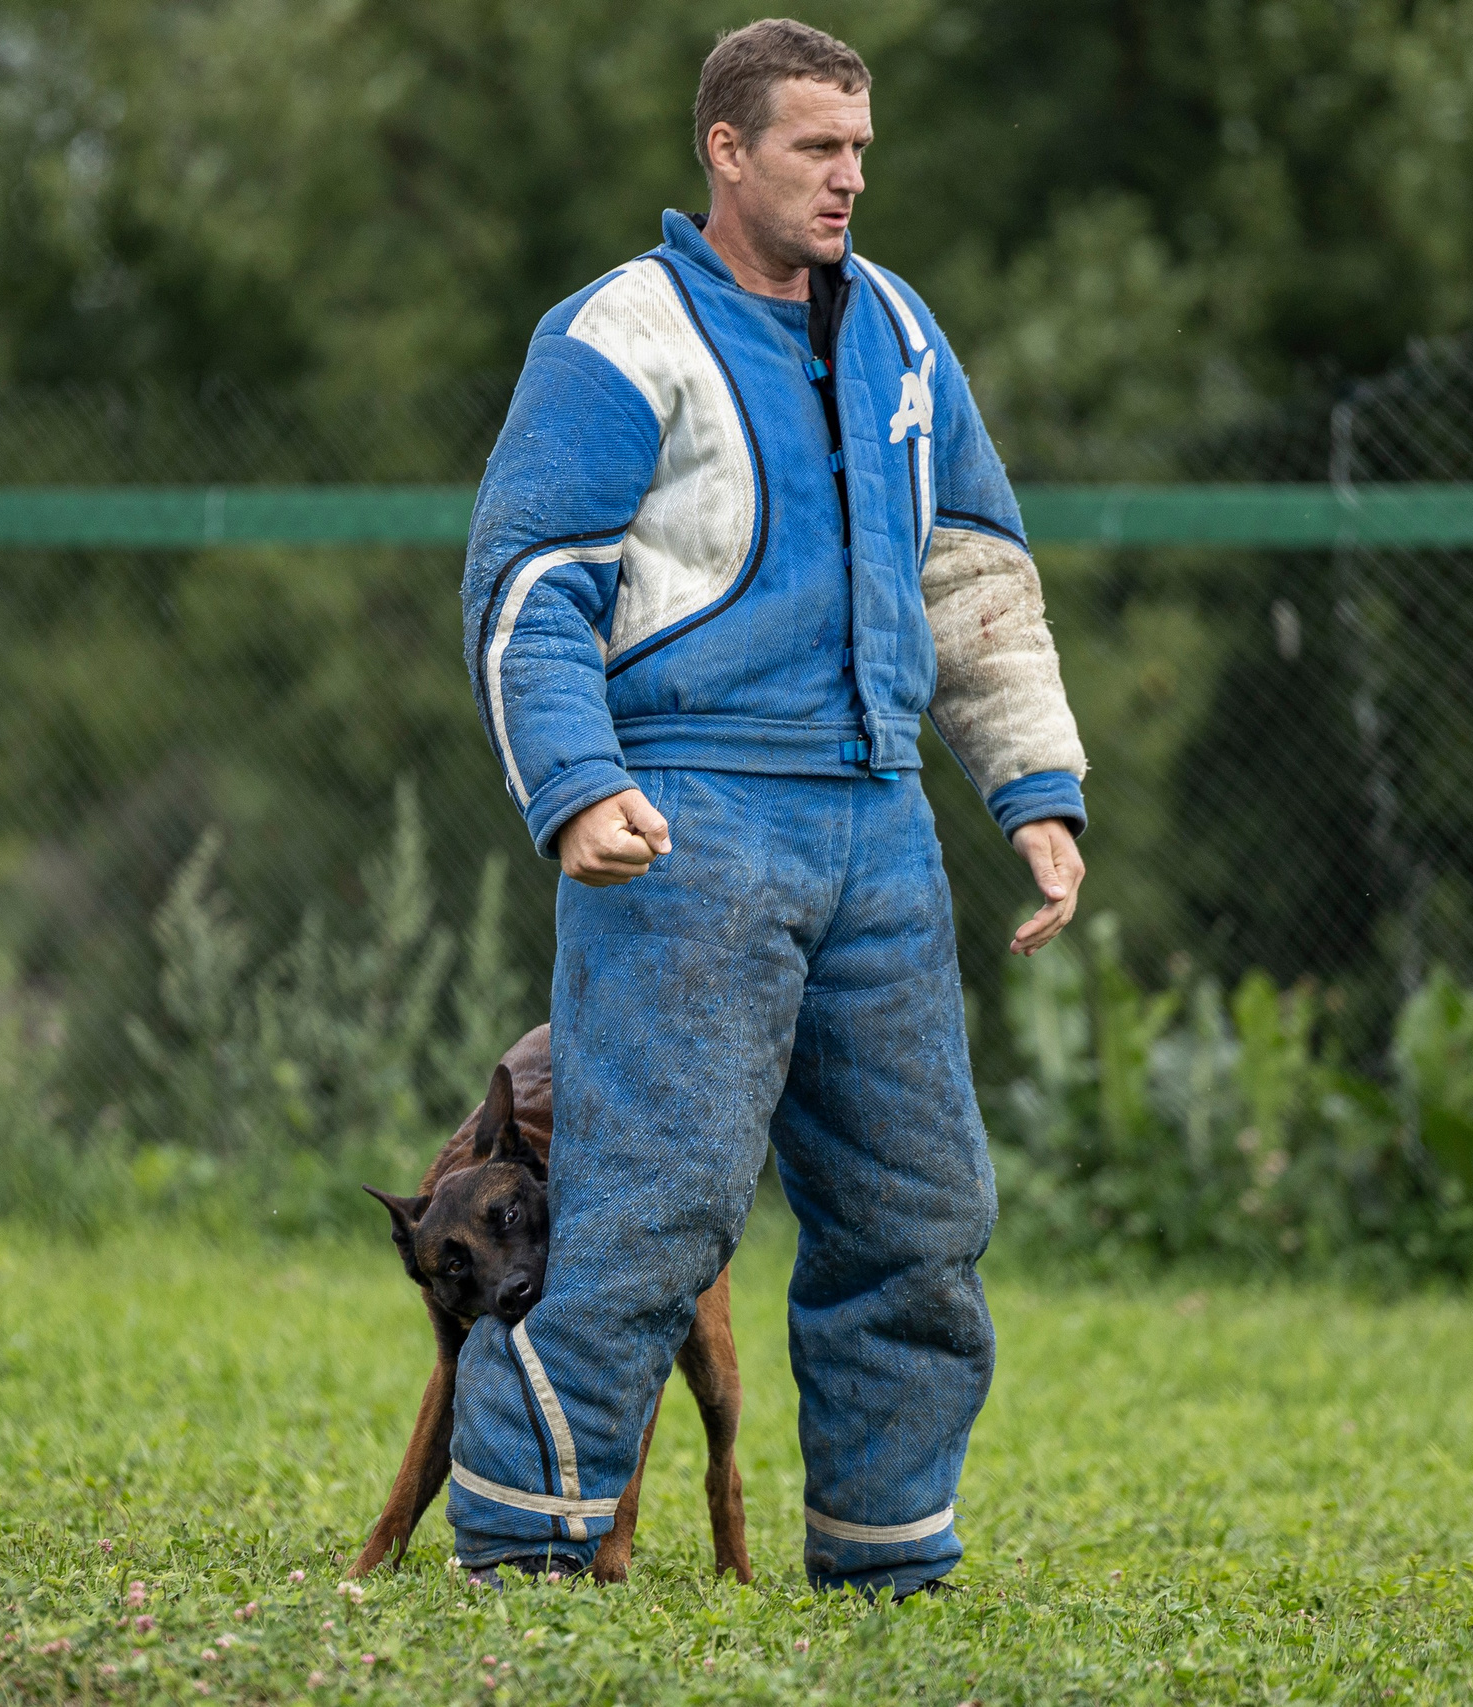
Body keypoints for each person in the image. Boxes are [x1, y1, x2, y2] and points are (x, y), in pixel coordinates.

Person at [453, 16, 1087, 1598]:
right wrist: (578, 787)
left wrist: (1034, 788)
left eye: (861, 148)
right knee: (651, 1215)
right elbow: (528, 584)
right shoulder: (619, 334)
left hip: (879, 826)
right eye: (816, 146)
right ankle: (522, 1537)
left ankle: (887, 1558)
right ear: (725, 150)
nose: (849, 178)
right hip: (689, 823)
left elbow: (973, 571)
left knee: (920, 1215)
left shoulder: (901, 332)